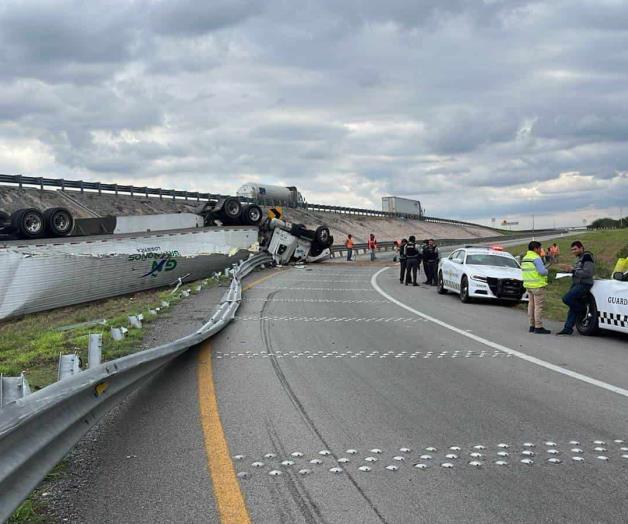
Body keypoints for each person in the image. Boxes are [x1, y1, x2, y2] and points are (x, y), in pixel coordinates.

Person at [556, 241, 595, 335]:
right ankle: (568, 328)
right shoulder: (579, 258)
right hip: (577, 283)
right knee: (572, 305)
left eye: (575, 249)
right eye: (572, 250)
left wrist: (573, 270)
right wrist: (568, 270)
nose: (573, 251)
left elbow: (588, 273)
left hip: (584, 284)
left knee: (567, 298)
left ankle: (582, 309)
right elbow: (578, 270)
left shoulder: (587, 257)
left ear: (581, 248)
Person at [521, 241, 551, 334]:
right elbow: (542, 272)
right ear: (535, 249)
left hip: (528, 285)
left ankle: (532, 325)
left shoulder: (525, 258)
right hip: (537, 286)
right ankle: (538, 326)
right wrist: (546, 271)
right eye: (540, 248)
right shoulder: (536, 258)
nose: (540, 250)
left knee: (531, 305)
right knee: (538, 306)